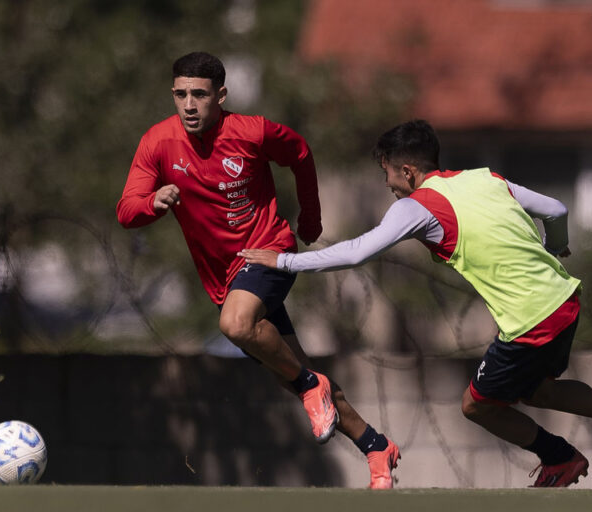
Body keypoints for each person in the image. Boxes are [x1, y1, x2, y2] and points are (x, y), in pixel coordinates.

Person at [239, 119, 592, 487]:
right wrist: (555, 248)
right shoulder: (484, 178)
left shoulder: (416, 206)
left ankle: (561, 457)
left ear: (407, 171)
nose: (388, 184)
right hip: (564, 297)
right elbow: (557, 209)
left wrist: (285, 260)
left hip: (531, 319)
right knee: (539, 390)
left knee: (477, 405)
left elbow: (357, 252)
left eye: (388, 173)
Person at [117, 52, 400, 489]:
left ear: (221, 95)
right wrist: (152, 204)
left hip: (267, 252)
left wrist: (310, 218)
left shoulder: (252, 132)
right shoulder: (158, 143)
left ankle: (311, 386)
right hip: (223, 279)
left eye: (199, 94)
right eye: (180, 94)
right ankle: (376, 446)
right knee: (297, 375)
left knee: (235, 325)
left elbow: (301, 153)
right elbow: (126, 209)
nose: (189, 104)